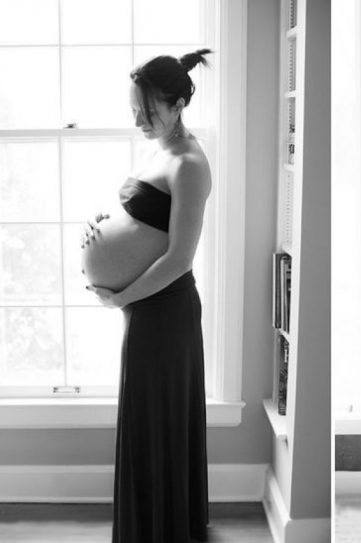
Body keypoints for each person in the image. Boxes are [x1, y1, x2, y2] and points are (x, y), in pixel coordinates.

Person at [84, 49, 213, 543]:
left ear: (179, 103)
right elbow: (146, 222)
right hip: (146, 306)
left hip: (165, 311)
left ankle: (159, 531)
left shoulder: (190, 165)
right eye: (135, 108)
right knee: (146, 416)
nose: (139, 119)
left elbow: (180, 258)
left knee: (153, 419)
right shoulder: (161, 148)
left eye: (149, 110)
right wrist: (106, 225)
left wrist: (121, 297)